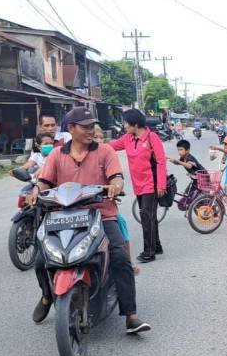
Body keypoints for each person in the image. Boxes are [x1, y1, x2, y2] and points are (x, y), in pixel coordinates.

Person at [28, 107, 150, 333]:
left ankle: (130, 315)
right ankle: (47, 297)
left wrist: (115, 187)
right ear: (71, 129)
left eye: (92, 126)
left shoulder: (105, 151)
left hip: (101, 215)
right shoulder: (56, 154)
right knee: (40, 260)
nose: (91, 130)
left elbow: (116, 177)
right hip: (62, 217)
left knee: (120, 257)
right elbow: (44, 181)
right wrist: (37, 191)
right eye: (85, 127)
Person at [110, 109, 168, 264]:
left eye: (126, 123)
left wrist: (161, 185)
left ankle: (149, 252)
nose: (124, 126)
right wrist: (93, 143)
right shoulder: (128, 138)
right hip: (138, 184)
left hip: (151, 183)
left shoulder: (151, 137)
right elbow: (111, 146)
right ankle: (156, 245)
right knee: (149, 216)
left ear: (135, 124)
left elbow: (161, 162)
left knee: (146, 216)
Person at [94, 125, 140, 276]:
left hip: (106, 208)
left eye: (101, 137)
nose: (99, 140)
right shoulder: (70, 155)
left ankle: (128, 261)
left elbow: (117, 178)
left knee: (121, 227)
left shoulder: (107, 155)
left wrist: (117, 188)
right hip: (81, 210)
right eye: (95, 137)